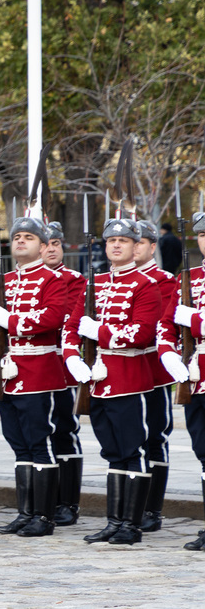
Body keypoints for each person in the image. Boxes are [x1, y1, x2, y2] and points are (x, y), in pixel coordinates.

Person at [63, 218, 161, 545]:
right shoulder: (95, 283)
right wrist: (72, 358)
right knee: (112, 452)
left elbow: (142, 332)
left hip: (129, 378)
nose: (116, 245)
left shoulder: (146, 285)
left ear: (136, 246)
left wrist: (101, 332)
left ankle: (131, 525)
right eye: (111, 241)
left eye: (124, 240)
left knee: (133, 450)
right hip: (97, 380)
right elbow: (71, 327)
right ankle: (114, 521)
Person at [0, 216, 68, 537]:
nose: (20, 241)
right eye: (17, 237)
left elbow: (53, 317)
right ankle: (25, 512)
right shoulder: (3, 280)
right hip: (7, 373)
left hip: (38, 372)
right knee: (18, 444)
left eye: (28, 237)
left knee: (39, 441)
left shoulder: (52, 279)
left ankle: (43, 516)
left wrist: (12, 321)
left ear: (43, 247)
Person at [133, 220, 179, 532]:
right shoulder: (111, 282)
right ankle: (131, 508)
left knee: (154, 437)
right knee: (127, 441)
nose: (133, 247)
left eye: (139, 242)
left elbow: (156, 325)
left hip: (153, 372)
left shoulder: (163, 281)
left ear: (152, 247)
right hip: (122, 374)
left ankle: (152, 508)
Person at [164, 210, 205, 550]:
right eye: (202, 235)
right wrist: (169, 356)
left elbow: (189, 321)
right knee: (203, 452)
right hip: (195, 377)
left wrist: (196, 322)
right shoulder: (188, 278)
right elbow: (166, 324)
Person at [42, 221, 87, 526]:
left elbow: (67, 318)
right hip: (34, 367)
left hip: (63, 365)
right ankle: (44, 500)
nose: (51, 249)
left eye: (56, 243)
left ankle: (67, 503)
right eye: (46, 244)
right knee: (38, 433)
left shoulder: (74, 280)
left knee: (64, 430)